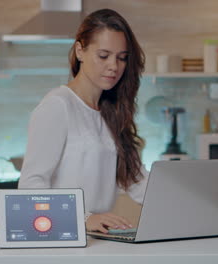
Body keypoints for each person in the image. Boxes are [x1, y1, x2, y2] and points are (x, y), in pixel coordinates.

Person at [19, 8, 148, 234]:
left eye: (122, 58)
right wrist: (84, 218)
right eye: (103, 55)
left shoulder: (113, 112)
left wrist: (187, 202)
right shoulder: (58, 106)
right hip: (61, 237)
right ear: (80, 51)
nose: (114, 66)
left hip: (99, 239)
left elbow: (137, 181)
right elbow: (31, 187)